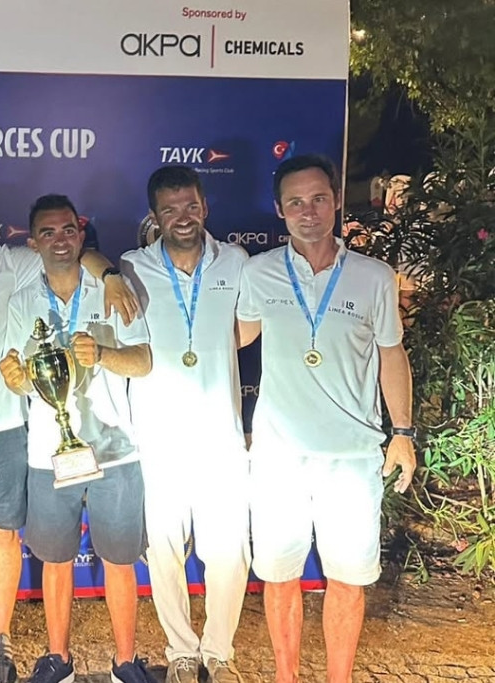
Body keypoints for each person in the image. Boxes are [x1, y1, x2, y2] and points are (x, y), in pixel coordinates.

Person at [0, 172, 137, 683]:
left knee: (4, 538)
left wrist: (108, 275)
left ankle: (1, 637)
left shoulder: (12, 262)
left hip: (3, 425)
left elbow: (70, 253)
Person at [236, 155, 416, 683]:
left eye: (318, 198)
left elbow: (391, 354)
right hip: (278, 455)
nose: (308, 211)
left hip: (352, 457)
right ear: (279, 210)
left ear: (336, 200)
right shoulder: (258, 272)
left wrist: (403, 433)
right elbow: (235, 338)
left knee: (348, 581)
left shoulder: (374, 277)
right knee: (279, 577)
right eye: (295, 202)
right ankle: (286, 678)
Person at [0, 194, 151, 683]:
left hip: (115, 450)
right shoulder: (21, 302)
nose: (59, 240)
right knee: (56, 561)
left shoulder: (113, 289)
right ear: (33, 242)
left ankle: (124, 661)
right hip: (50, 453)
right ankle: (58, 658)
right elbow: (24, 380)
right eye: (48, 232)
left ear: (81, 235)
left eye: (68, 230)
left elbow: (144, 361)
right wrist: (14, 378)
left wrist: (102, 356)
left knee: (120, 562)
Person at [120, 166, 250, 683]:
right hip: (159, 435)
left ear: (205, 207)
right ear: (154, 216)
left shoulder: (235, 261)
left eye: (191, 206)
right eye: (170, 209)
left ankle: (218, 653)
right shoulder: (131, 267)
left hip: (220, 435)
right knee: (164, 550)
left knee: (229, 550)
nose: (182, 217)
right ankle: (180, 651)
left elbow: (246, 329)